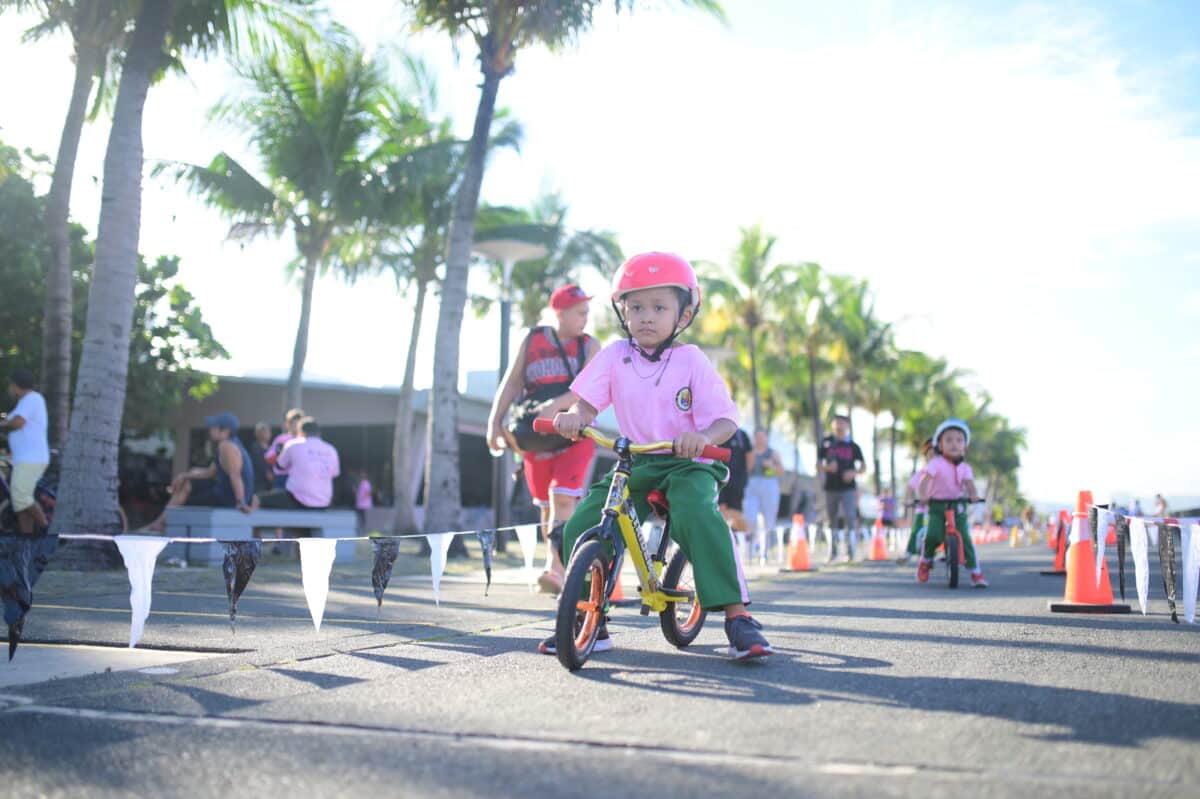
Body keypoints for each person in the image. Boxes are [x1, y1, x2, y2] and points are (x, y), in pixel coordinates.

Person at [547, 251, 772, 660]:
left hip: (689, 462)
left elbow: (725, 421)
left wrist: (700, 436)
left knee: (695, 512)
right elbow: (586, 405)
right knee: (582, 520)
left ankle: (738, 618)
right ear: (623, 312)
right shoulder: (616, 355)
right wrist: (573, 416)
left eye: (659, 307)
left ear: (683, 315)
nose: (646, 317)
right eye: (636, 307)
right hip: (636, 459)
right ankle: (586, 620)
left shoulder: (691, 360)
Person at [487, 283, 600, 594]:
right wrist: (494, 423)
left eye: (587, 312)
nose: (585, 318)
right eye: (580, 312)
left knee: (563, 497)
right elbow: (512, 382)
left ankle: (557, 569)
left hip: (575, 435)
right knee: (546, 507)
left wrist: (559, 404)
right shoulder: (533, 339)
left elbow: (590, 386)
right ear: (560, 313)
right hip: (535, 436)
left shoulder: (589, 345)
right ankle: (563, 565)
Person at [145, 412, 254, 530]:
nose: (210, 430)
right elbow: (210, 472)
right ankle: (161, 521)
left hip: (230, 498)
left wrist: (241, 502)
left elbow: (235, 475)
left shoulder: (227, 447)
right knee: (189, 479)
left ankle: (161, 522)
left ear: (225, 431)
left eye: (214, 427)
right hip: (227, 493)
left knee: (186, 494)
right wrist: (185, 475)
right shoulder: (230, 444)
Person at [916, 418, 988, 587]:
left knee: (965, 537)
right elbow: (924, 481)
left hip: (958, 505)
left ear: (965, 446)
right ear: (940, 446)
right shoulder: (936, 464)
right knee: (933, 534)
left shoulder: (965, 468)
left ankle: (976, 573)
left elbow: (969, 485)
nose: (954, 444)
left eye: (959, 440)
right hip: (936, 505)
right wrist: (923, 495)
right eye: (948, 440)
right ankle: (925, 560)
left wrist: (974, 496)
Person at [0, 369, 50, 534]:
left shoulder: (32, 399)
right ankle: (26, 540)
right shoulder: (25, 402)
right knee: (19, 501)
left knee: (20, 496)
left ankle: (46, 530)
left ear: (15, 385)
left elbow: (18, 422)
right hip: (24, 458)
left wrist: (3, 424)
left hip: (31, 458)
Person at [258, 418, 340, 509]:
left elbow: (279, 466)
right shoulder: (331, 449)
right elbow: (334, 474)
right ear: (319, 433)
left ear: (301, 432)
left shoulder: (293, 444)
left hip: (296, 499)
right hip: (324, 502)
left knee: (259, 498)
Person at [818, 414, 866, 561]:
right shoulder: (826, 443)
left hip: (848, 488)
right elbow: (818, 465)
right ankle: (832, 552)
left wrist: (853, 472)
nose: (839, 427)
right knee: (831, 518)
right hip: (831, 487)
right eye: (836, 423)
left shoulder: (853, 446)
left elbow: (863, 467)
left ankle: (850, 551)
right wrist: (827, 468)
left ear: (847, 426)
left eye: (842, 424)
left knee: (849, 517)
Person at [743, 428, 784, 565]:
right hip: (751, 485)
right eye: (757, 437)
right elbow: (744, 469)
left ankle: (764, 554)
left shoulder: (772, 453)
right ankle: (748, 554)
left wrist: (771, 466)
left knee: (768, 522)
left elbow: (781, 470)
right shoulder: (750, 452)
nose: (760, 439)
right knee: (750, 519)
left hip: (769, 485)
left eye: (762, 436)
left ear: (766, 438)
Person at [717, 426, 753, 556]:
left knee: (735, 514)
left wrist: (744, 477)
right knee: (722, 510)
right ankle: (724, 546)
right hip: (720, 477)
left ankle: (749, 534)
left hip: (737, 481)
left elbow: (749, 457)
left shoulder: (741, 435)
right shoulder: (716, 431)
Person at [898, 438, 934, 564]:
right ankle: (908, 554)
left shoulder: (944, 472)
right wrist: (908, 499)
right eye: (930, 455)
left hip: (939, 507)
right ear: (926, 457)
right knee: (916, 530)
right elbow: (910, 487)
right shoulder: (921, 473)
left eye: (937, 455)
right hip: (922, 508)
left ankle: (951, 551)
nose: (934, 458)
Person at [264, 408, 304, 490]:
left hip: (300, 478)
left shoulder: (306, 441)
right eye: (293, 423)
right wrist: (280, 454)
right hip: (282, 478)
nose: (296, 426)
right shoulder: (281, 439)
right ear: (287, 424)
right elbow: (268, 458)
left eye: (298, 423)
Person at [250, 421, 273, 494]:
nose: (268, 434)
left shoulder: (270, 447)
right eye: (266, 432)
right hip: (259, 482)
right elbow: (259, 463)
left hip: (269, 482)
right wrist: (267, 473)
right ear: (259, 434)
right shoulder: (255, 447)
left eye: (269, 431)